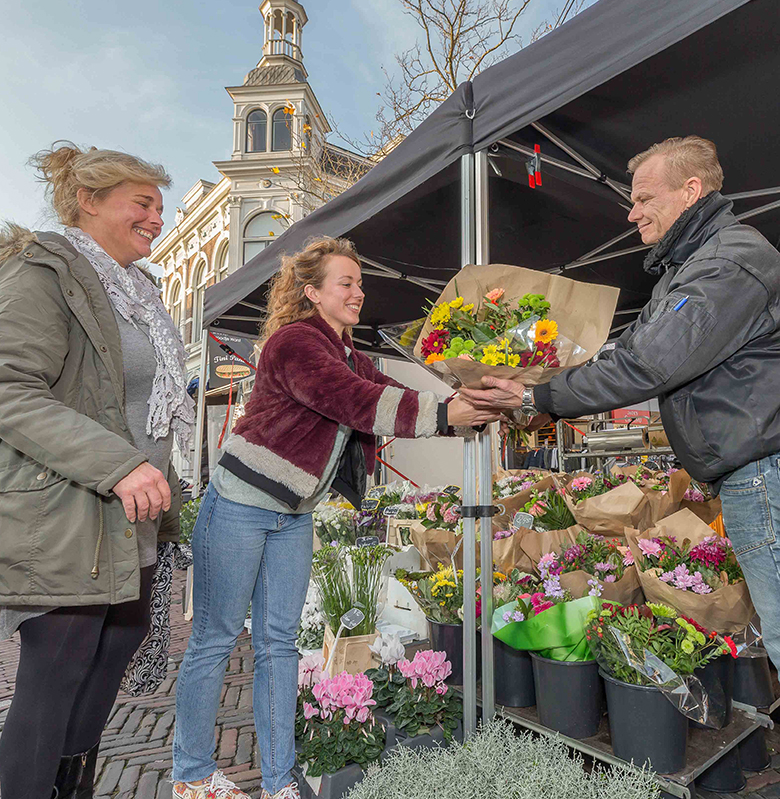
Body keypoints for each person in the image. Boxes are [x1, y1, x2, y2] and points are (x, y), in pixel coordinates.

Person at [172, 236, 497, 799]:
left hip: (294, 515)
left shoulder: (350, 353)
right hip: (242, 505)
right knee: (215, 640)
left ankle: (278, 781)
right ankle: (192, 774)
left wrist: (460, 408)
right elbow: (353, 401)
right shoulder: (295, 344)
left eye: (360, 283)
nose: (359, 292)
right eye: (345, 283)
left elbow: (386, 390)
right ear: (312, 293)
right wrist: (447, 412)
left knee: (277, 645)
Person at [460, 135, 780, 666]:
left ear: (690, 190)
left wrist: (537, 394)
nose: (632, 214)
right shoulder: (686, 268)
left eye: (644, 199)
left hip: (763, 474)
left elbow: (649, 364)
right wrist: (537, 372)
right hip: (750, 475)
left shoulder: (729, 260)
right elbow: (629, 350)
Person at [0, 142, 193, 797]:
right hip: (69, 515)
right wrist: (120, 467)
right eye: (142, 203)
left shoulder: (142, 296)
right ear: (88, 201)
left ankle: (70, 787)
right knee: (56, 673)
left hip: (130, 526)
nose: (156, 219)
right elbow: (10, 389)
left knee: (107, 660)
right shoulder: (44, 273)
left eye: (161, 208)